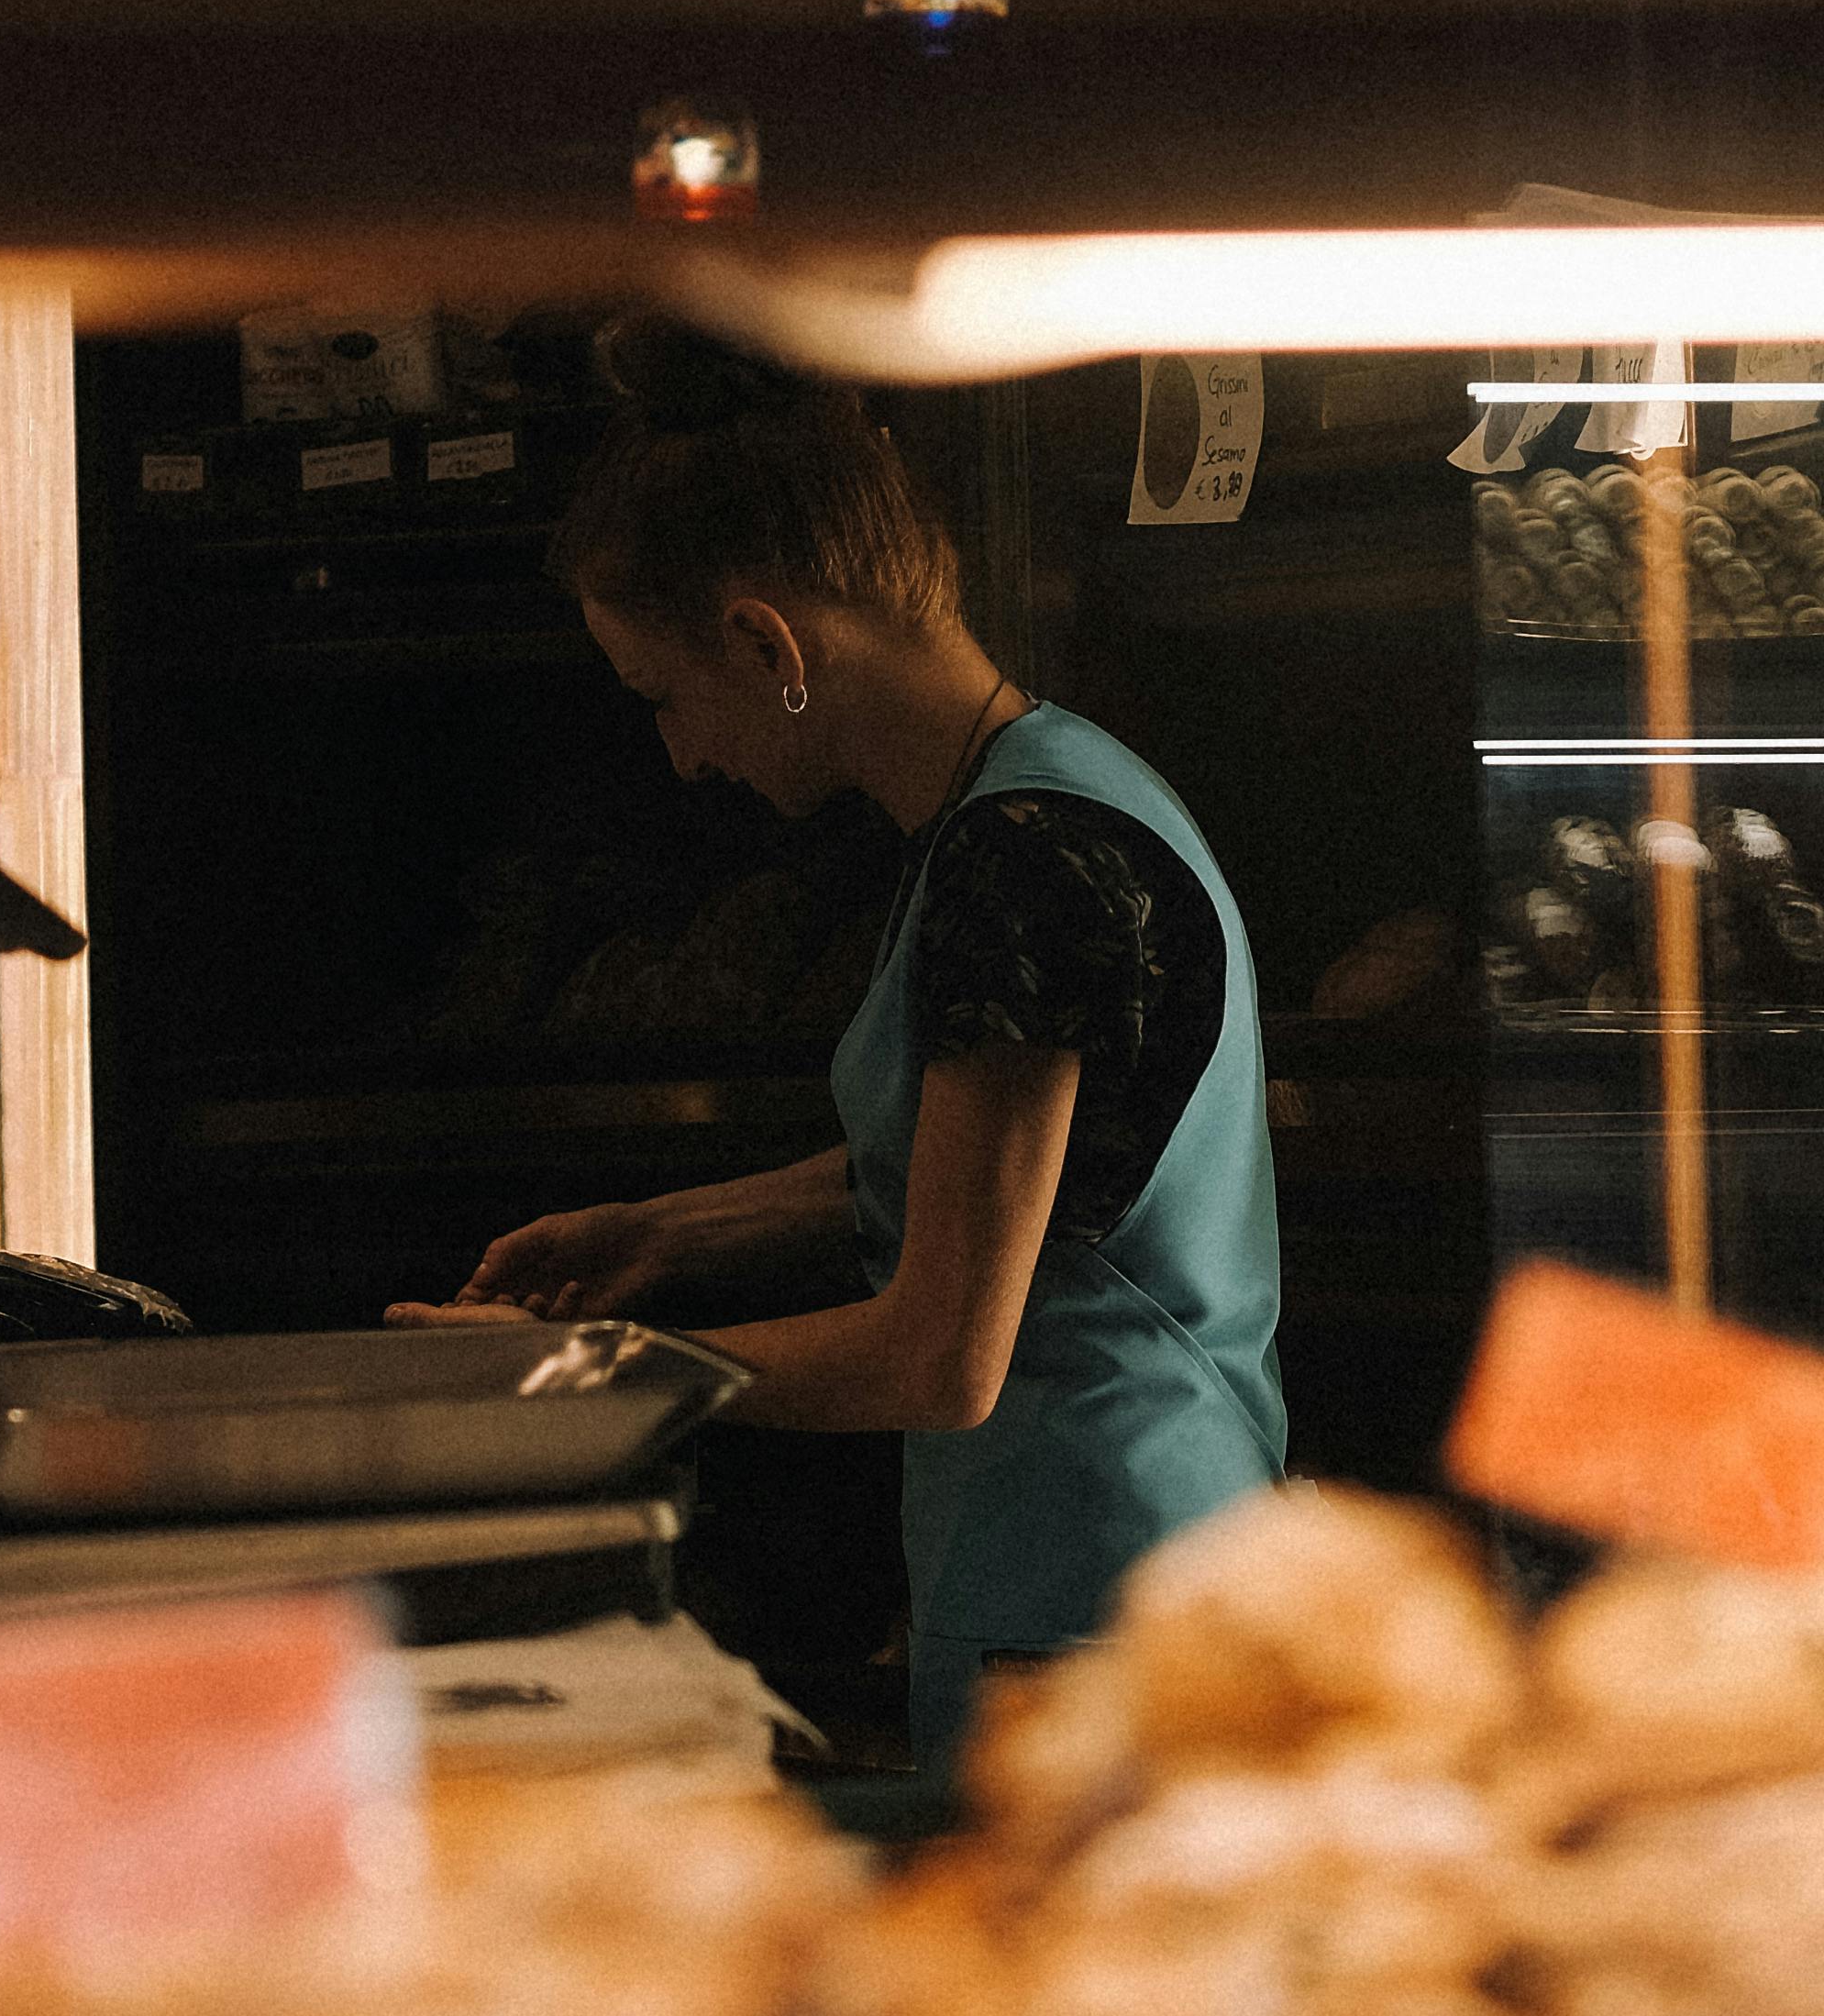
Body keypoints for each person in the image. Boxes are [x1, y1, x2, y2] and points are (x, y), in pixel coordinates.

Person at [406, 327, 1288, 1756]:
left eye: (661, 697)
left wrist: (589, 1378)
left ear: (769, 644)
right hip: (1121, 1568)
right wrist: (672, 1231)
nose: (680, 754)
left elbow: (941, 1357)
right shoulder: (1045, 794)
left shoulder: (1025, 859)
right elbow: (986, 1172)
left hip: (1094, 1611)